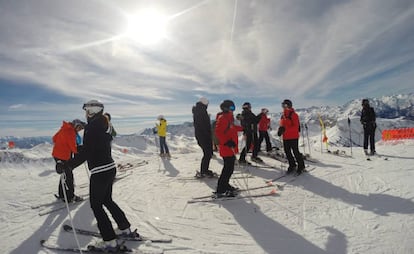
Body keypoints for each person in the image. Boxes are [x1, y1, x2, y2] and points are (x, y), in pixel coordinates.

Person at [58, 100, 135, 252]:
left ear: (92, 111)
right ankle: (125, 228)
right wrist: (80, 149)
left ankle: (110, 241)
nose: (85, 114)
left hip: (99, 170)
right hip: (109, 167)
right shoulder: (104, 125)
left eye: (87, 111)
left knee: (96, 205)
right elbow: (94, 146)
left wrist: (67, 165)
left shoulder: (92, 127)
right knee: (107, 200)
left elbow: (87, 151)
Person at [52, 119, 86, 202]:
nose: (79, 130)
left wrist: (62, 144)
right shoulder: (71, 132)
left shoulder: (64, 128)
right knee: (69, 176)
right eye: (79, 128)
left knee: (64, 174)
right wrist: (81, 149)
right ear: (76, 125)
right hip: (63, 157)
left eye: (81, 129)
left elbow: (54, 138)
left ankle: (62, 194)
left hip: (57, 155)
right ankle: (70, 196)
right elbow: (74, 149)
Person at [215, 100, 243, 197]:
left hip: (230, 147)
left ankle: (225, 185)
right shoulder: (223, 118)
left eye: (233, 108)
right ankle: (221, 189)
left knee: (229, 168)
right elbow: (218, 132)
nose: (233, 110)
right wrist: (226, 141)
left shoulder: (229, 118)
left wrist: (243, 128)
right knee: (227, 169)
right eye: (231, 108)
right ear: (226, 108)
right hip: (226, 148)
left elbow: (233, 127)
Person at [277, 99, 305, 175]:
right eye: (282, 105)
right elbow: (282, 125)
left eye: (285, 105)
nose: (283, 107)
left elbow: (295, 127)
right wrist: (280, 130)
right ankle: (292, 165)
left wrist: (284, 129)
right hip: (286, 137)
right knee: (287, 152)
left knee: (295, 152)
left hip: (293, 136)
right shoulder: (283, 115)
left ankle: (301, 166)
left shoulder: (294, 115)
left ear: (289, 105)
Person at [192, 97, 215, 177]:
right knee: (207, 154)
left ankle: (204, 170)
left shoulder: (198, 111)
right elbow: (203, 125)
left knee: (207, 153)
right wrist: (208, 135)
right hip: (204, 136)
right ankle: (204, 171)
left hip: (201, 135)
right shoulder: (202, 111)